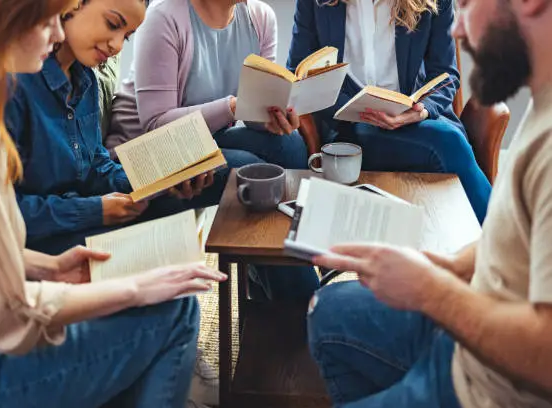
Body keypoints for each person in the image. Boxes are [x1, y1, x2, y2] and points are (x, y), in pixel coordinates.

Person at [0, 1, 227, 407]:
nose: (56, 34)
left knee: (207, 191)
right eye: (48, 21)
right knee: (173, 307)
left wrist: (161, 179)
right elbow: (8, 314)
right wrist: (133, 289)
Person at [306, 0, 552, 405]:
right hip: (461, 345)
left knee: (446, 141)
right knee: (326, 309)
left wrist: (431, 290)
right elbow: (515, 234)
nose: (457, 31)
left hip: (478, 385)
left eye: (468, 5)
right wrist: (454, 266)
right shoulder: (540, 106)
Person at [5, 0, 218, 256]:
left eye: (126, 37)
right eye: (113, 24)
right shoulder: (15, 85)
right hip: (36, 242)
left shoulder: (86, 81)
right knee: (163, 270)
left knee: (175, 219)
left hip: (80, 221)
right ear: (73, 6)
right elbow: (2, 212)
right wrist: (95, 211)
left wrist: (161, 180)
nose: (116, 46)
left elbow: (96, 165)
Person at [287, 0, 492, 224]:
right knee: (448, 142)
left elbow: (445, 74)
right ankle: (506, 244)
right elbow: (298, 71)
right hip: (347, 131)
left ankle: (499, 245)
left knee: (448, 141)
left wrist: (420, 111)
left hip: (413, 124)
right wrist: (349, 109)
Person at [106, 0, 310, 170]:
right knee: (249, 169)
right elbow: (156, 126)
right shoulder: (162, 16)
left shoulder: (261, 18)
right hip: (145, 154)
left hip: (204, 139)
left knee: (291, 145)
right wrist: (232, 107)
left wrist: (270, 116)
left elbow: (250, 114)